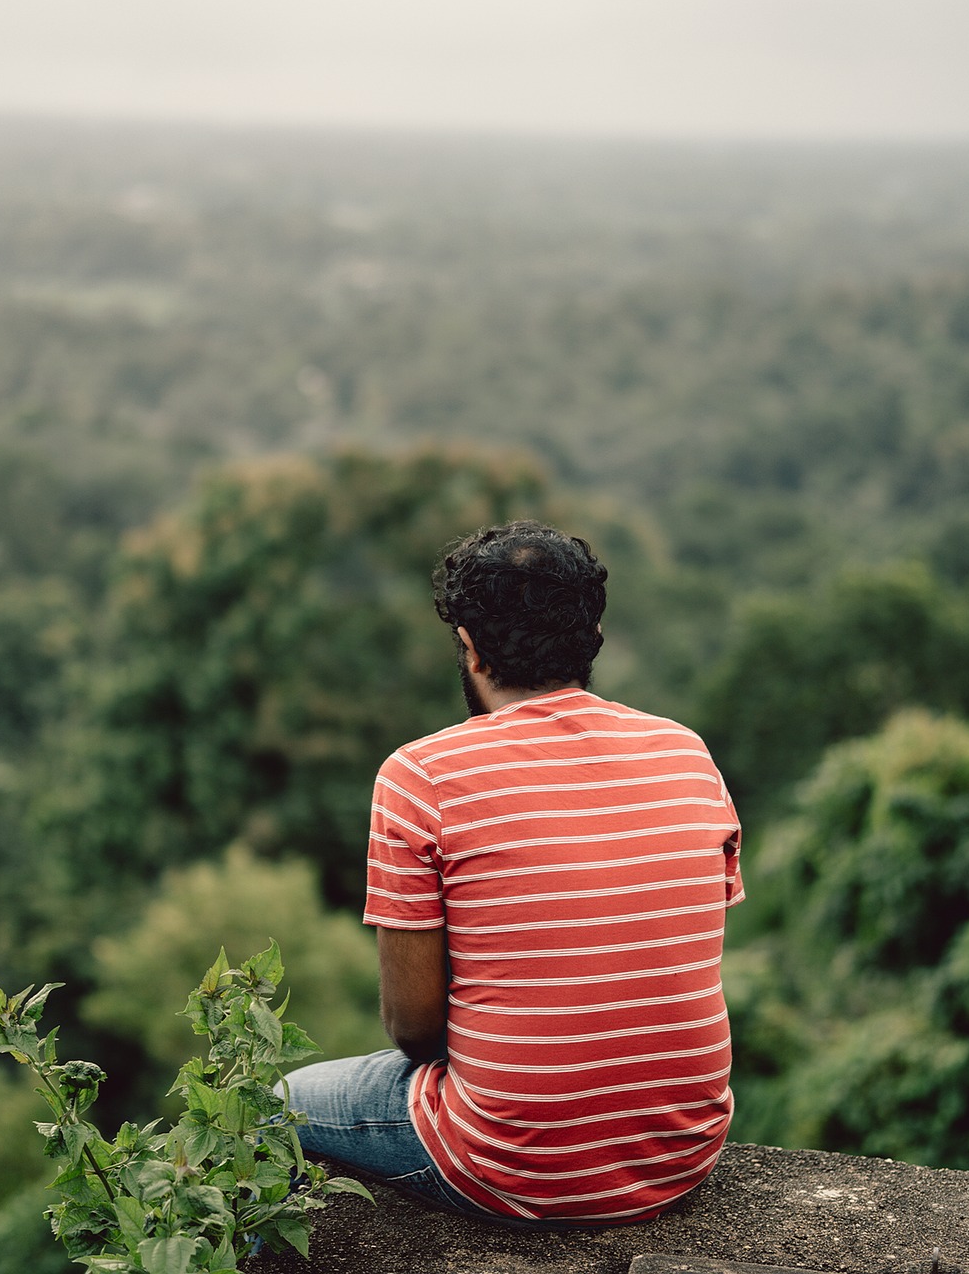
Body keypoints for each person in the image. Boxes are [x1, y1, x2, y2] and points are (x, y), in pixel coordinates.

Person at [278, 520, 743, 1226]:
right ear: (590, 639)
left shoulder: (420, 776)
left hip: (514, 1162)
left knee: (264, 1108)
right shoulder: (687, 753)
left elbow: (414, 1030)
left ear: (469, 645)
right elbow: (665, 961)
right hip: (681, 1153)